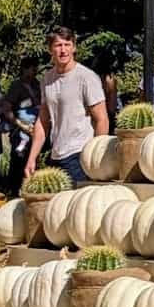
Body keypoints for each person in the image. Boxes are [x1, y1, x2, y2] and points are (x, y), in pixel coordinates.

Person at [22, 26, 109, 187]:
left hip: (80, 155)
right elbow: (43, 121)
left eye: (67, 44)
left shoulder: (86, 77)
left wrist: (95, 158)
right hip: (56, 155)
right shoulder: (47, 79)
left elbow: (102, 119)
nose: (63, 50)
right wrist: (32, 158)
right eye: (58, 45)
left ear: (74, 47)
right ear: (50, 49)